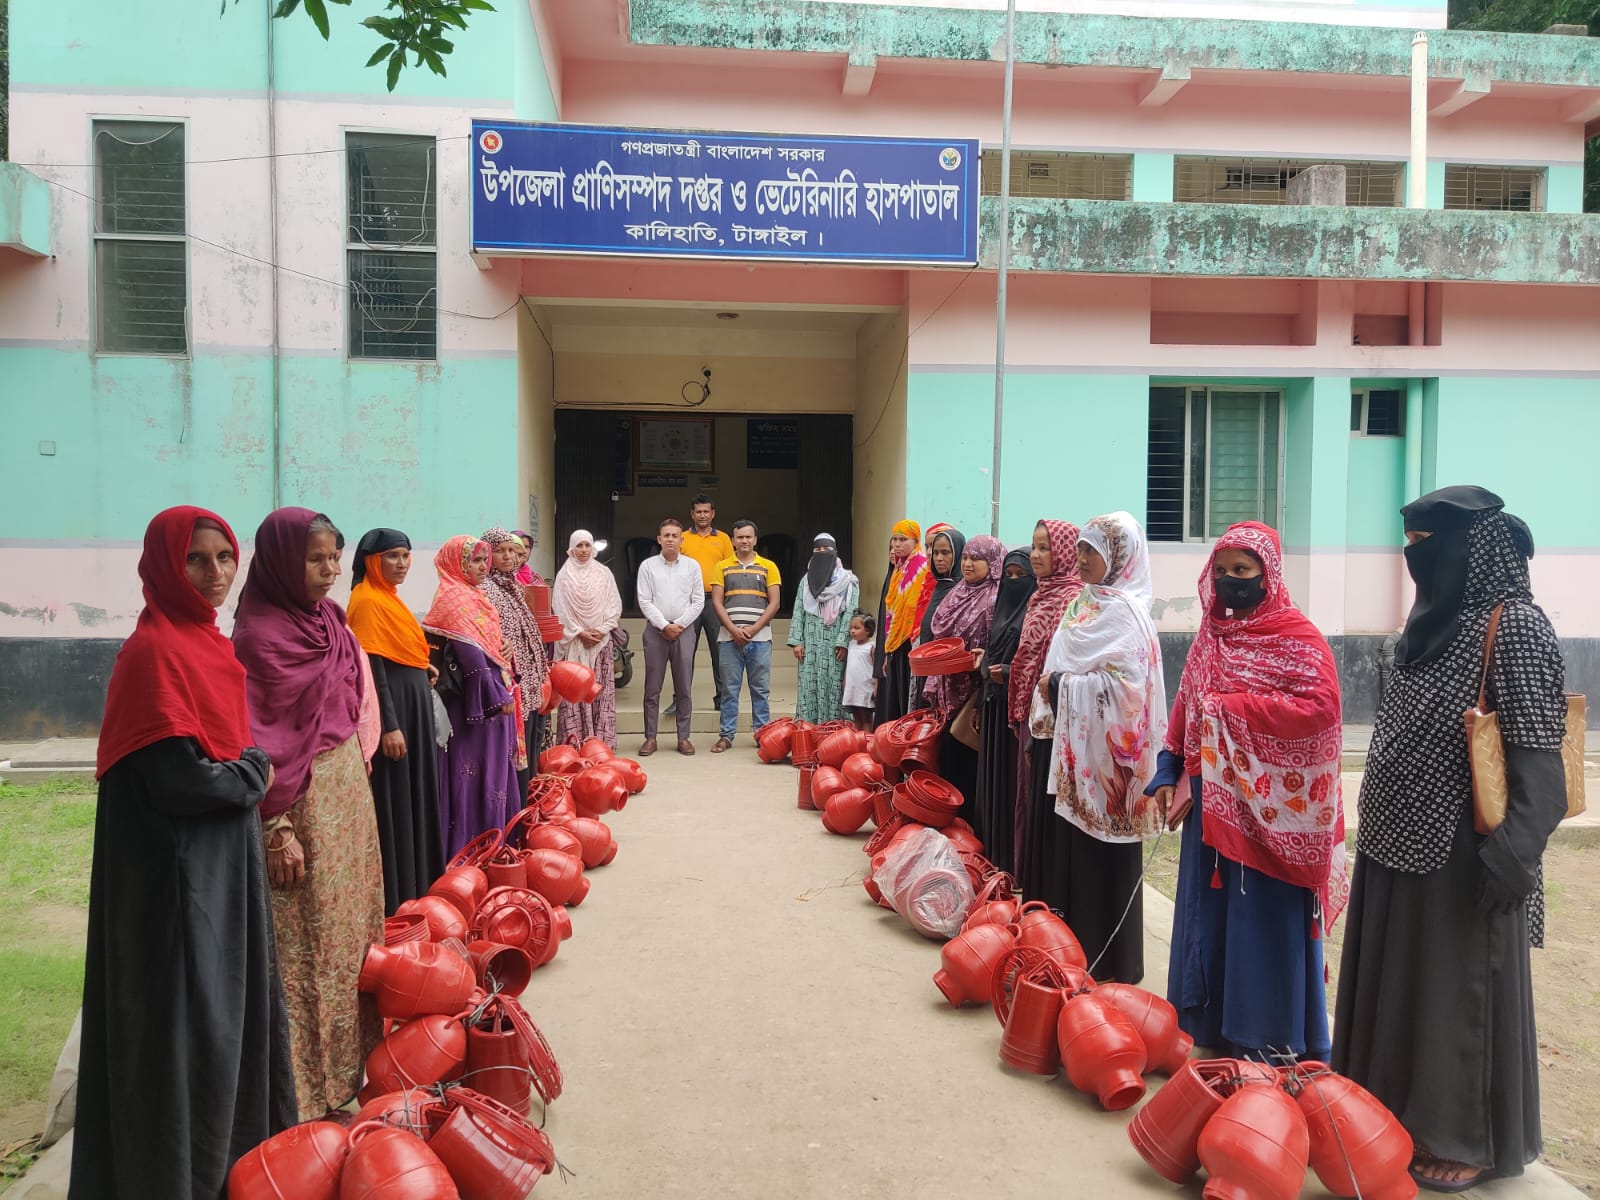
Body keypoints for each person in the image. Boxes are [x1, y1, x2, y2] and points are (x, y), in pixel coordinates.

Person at [1333, 486, 1568, 1192]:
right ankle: (1387, 1116)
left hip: (1467, 857)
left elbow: (1542, 773)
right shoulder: (1428, 623)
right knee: (1397, 992)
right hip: (1395, 845)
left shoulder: (1516, 626)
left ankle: (1461, 1136)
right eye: (1408, 544)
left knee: (1455, 1002)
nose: (1414, 559)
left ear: (1472, 548)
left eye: (1427, 545)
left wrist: (1510, 859)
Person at [71, 506, 295, 1200]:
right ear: (165, 565)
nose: (215, 574)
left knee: (223, 1016)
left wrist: (242, 772)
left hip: (218, 860)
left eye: (225, 558)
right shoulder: (153, 652)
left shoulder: (209, 644)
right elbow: (177, 778)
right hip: (173, 876)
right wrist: (253, 775)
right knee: (186, 1023)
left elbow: (221, 752)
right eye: (196, 559)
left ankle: (231, 1163)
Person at [1145, 521, 1346, 1063]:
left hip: (1269, 818)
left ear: (1268, 574)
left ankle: (1266, 1045)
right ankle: (1204, 1031)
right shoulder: (1211, 636)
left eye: (1244, 571)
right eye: (1224, 571)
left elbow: (1321, 712)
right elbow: (1187, 704)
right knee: (1206, 921)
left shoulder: (1298, 639)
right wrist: (1168, 770)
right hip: (1210, 812)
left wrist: (1231, 711)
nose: (1232, 582)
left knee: (1260, 925)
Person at [231, 507, 385, 1120]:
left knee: (352, 935)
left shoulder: (331, 620)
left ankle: (352, 1070)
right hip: (299, 809)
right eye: (314, 560)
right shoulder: (258, 638)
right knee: (309, 944)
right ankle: (304, 1090)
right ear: (279, 562)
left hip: (346, 799)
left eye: (333, 560)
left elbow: (348, 701)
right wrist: (277, 826)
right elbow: (254, 736)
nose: (328, 572)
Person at [1034, 512, 1166, 983]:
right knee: (1073, 859)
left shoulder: (1127, 613)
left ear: (1120, 556)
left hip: (1111, 766)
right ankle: (1072, 958)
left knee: (1105, 863)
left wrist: (1065, 686)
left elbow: (1131, 694)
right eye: (1083, 549)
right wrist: (1059, 688)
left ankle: (1112, 965)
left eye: (1093, 551)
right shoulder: (1084, 603)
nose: (1082, 559)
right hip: (1074, 755)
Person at [348, 527, 445, 914]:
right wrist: (389, 725)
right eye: (392, 556)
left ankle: (421, 883)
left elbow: (401, 650)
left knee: (416, 791)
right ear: (373, 561)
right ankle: (401, 894)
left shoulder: (389, 598)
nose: (402, 563)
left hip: (412, 702)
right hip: (397, 713)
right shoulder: (367, 601)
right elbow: (373, 667)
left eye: (406, 556)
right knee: (399, 798)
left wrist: (422, 668)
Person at [424, 535, 521, 856]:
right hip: (474, 708)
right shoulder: (454, 599)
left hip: (491, 701)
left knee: (492, 775)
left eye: (484, 560)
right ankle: (473, 850)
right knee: (473, 776)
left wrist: (505, 652)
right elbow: (471, 658)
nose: (484, 567)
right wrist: (497, 698)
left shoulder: (475, 595)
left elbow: (489, 646)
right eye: (475, 561)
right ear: (457, 563)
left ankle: (496, 844)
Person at [1010, 520, 1083, 891]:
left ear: (1065, 553)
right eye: (1034, 547)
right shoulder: (1041, 593)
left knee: (1043, 797)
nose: (1036, 556)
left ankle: (1044, 887)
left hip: (1054, 714)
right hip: (1029, 708)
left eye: (1046, 548)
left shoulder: (1072, 598)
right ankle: (1026, 877)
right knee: (1026, 795)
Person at [926, 534, 1005, 824]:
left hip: (976, 693)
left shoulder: (997, 597)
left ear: (993, 562)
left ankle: (970, 824)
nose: (969, 563)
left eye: (977, 558)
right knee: (948, 754)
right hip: (948, 685)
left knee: (971, 756)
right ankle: (948, 818)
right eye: (967, 558)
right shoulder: (958, 591)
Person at [974, 548, 1036, 873]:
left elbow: (1037, 666)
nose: (1012, 582)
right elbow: (991, 650)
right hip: (993, 706)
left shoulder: (1036, 613)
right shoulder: (1000, 609)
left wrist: (1009, 672)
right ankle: (993, 857)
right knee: (994, 787)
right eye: (1008, 576)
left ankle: (1012, 864)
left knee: (1013, 790)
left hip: (1016, 714)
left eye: (1020, 577)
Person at [483, 527, 549, 791]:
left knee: (529, 754)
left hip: (527, 687)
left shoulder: (512, 585)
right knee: (515, 757)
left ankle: (526, 808)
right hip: (510, 687)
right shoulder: (487, 588)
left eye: (513, 551)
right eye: (500, 551)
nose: (509, 557)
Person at [709, 519, 782, 753]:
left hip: (759, 640)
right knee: (729, 690)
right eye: (739, 537)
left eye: (748, 537)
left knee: (760, 690)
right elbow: (717, 602)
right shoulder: (722, 567)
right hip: (728, 639)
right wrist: (733, 629)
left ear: (755, 540)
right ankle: (726, 736)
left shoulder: (768, 566)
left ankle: (763, 735)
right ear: (733, 540)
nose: (744, 541)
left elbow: (775, 603)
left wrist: (753, 629)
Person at [636, 517, 704, 756]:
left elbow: (698, 601)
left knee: (684, 686)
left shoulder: (692, 566)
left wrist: (680, 624)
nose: (671, 540)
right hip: (656, 632)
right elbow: (644, 600)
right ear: (659, 539)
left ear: (681, 540)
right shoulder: (648, 566)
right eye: (666, 535)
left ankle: (683, 737)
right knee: (652, 687)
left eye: (675, 536)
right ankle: (650, 737)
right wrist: (664, 625)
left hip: (684, 632)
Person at [552, 528, 623, 749]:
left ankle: (601, 745)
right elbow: (560, 609)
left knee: (599, 693)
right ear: (572, 548)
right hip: (575, 642)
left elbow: (614, 605)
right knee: (575, 692)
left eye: (587, 545)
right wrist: (580, 632)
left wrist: (602, 629)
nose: (583, 550)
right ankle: (573, 745)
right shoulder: (564, 575)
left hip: (600, 643)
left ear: (592, 548)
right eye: (579, 545)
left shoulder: (604, 573)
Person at [788, 532, 859, 724]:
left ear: (835, 552)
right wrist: (797, 642)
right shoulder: (805, 581)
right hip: (809, 644)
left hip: (834, 645)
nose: (821, 553)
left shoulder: (848, 581)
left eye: (826, 549)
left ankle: (832, 732)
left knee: (833, 685)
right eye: (817, 549)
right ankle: (808, 732)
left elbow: (850, 613)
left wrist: (843, 642)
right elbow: (798, 611)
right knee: (808, 687)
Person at [678, 494, 735, 717]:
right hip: (688, 602)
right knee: (683, 655)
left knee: (719, 653)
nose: (702, 515)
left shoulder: (723, 539)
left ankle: (722, 699)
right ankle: (680, 700)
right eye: (698, 512)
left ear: (713, 514)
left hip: (714, 601)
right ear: (692, 514)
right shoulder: (681, 538)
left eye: (706, 511)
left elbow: (730, 569)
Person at [874, 519, 932, 727]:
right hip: (895, 644)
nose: (897, 544)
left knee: (906, 696)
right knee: (894, 698)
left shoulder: (922, 568)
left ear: (916, 541)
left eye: (903, 539)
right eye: (895, 540)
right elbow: (892, 609)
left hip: (911, 642)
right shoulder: (898, 569)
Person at [912, 524, 966, 708]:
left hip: (945, 676)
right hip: (926, 666)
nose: (939, 558)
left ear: (958, 554)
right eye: (936, 553)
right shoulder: (939, 586)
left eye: (946, 552)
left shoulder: (961, 591)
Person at [843, 613, 877, 730]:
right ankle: (857, 742)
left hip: (865, 688)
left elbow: (876, 668)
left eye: (857, 628)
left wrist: (876, 687)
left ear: (868, 630)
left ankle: (866, 742)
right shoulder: (851, 645)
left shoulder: (871, 647)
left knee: (866, 717)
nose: (852, 631)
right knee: (856, 716)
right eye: (851, 628)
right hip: (853, 688)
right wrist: (845, 683)